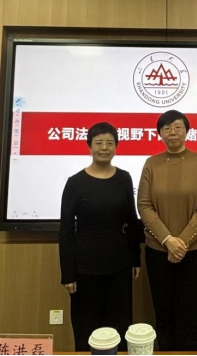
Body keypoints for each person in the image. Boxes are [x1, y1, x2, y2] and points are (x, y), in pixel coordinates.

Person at [137, 110, 197, 351]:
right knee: (164, 316)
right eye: (166, 128)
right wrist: (167, 240)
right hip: (158, 252)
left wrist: (180, 242)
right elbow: (144, 205)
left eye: (178, 127)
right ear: (159, 133)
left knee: (191, 317)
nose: (172, 132)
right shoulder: (151, 163)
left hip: (195, 252)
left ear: (187, 131)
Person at [59, 122, 142, 352]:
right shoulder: (75, 183)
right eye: (98, 143)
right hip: (85, 268)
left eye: (109, 143)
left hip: (119, 265)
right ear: (89, 147)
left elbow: (132, 219)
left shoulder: (124, 178)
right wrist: (67, 273)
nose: (104, 148)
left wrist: (135, 259)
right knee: (87, 327)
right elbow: (66, 230)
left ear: (116, 147)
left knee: (120, 326)